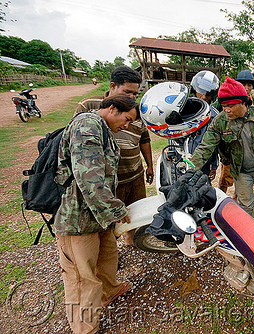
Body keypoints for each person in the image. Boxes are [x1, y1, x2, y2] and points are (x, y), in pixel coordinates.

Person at [54, 94, 138, 334]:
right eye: (127, 118)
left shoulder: (103, 129)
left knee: (106, 255)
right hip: (77, 217)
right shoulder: (87, 125)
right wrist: (116, 209)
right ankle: (84, 328)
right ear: (112, 108)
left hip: (96, 215)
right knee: (82, 276)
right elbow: (89, 178)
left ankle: (109, 291)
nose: (127, 125)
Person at [76, 66, 153, 246]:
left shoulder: (135, 110)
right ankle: (108, 247)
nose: (132, 97)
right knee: (108, 217)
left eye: (135, 93)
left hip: (134, 173)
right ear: (112, 86)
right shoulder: (89, 107)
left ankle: (131, 241)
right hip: (107, 179)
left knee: (135, 212)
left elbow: (144, 139)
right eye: (128, 92)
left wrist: (149, 165)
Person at [191, 77, 254, 227]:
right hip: (241, 171)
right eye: (224, 105)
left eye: (230, 106)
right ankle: (248, 226)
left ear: (243, 102)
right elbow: (205, 147)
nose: (226, 110)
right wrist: (191, 168)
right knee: (245, 202)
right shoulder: (220, 121)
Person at [217, 70, 254, 194]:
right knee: (226, 174)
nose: (246, 88)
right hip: (229, 145)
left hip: (246, 147)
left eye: (249, 85)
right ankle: (221, 194)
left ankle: (237, 197)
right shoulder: (225, 100)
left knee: (243, 176)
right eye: (243, 85)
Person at [170, 70, 219, 180]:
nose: (203, 97)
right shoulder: (181, 109)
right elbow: (172, 131)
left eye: (208, 94)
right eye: (201, 91)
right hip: (180, 160)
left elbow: (215, 144)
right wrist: (171, 151)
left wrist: (214, 166)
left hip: (203, 164)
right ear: (194, 89)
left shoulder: (214, 116)